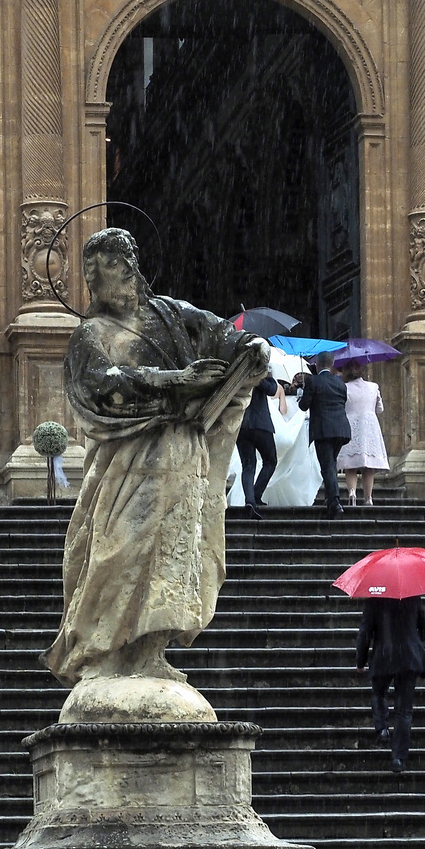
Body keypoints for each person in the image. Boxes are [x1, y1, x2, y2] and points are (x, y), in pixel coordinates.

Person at [45, 228, 269, 694]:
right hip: (128, 460)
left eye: (110, 264)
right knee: (117, 549)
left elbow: (222, 334)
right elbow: (98, 384)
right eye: (95, 269)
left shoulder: (169, 313)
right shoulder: (92, 332)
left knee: (174, 554)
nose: (103, 276)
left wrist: (251, 350)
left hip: (182, 454)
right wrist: (169, 380)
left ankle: (151, 652)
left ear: (131, 268)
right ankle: (104, 654)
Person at [355, 595, 425, 774]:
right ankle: (398, 758)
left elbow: (364, 633)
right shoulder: (412, 597)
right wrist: (412, 637)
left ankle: (382, 728)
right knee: (404, 710)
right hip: (408, 657)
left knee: (379, 693)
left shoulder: (373, 599)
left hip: (384, 655)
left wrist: (360, 661)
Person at [296, 355, 352, 518]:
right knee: (331, 464)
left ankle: (335, 502)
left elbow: (303, 405)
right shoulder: (340, 384)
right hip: (341, 429)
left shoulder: (313, 381)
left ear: (317, 365)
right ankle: (330, 498)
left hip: (323, 429)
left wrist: (304, 391)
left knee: (327, 466)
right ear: (332, 364)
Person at [336, 359, 388, 507]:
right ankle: (368, 497)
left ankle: (352, 492)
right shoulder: (373, 387)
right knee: (368, 465)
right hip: (369, 425)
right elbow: (380, 409)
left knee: (350, 463)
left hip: (350, 423)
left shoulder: (343, 387)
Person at [236, 372, 282, 518]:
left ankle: (251, 499)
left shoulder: (238, 374)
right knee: (270, 461)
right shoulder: (261, 376)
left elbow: (272, 390)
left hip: (242, 425)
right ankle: (255, 496)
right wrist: (261, 376)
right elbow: (272, 389)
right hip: (261, 425)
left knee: (248, 465)